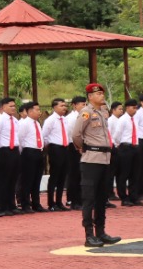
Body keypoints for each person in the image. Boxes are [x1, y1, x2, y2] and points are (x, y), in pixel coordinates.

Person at [71, 83, 121, 248]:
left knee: (102, 198)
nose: (101, 96)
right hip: (91, 159)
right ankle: (89, 235)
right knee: (89, 198)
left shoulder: (103, 112)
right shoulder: (86, 113)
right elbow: (76, 134)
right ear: (90, 97)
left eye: (102, 93)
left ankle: (101, 232)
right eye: (98, 94)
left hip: (105, 158)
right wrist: (81, 147)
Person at [41, 99, 72, 211]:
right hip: (55, 148)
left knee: (63, 176)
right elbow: (44, 135)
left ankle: (59, 201)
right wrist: (49, 148)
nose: (64, 107)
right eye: (61, 105)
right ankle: (51, 203)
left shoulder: (65, 120)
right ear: (54, 107)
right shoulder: (50, 120)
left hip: (65, 148)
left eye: (65, 105)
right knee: (54, 176)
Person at [16, 101, 47, 213]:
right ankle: (25, 204)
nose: (39, 112)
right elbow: (20, 139)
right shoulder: (24, 123)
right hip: (28, 152)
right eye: (37, 110)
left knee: (36, 179)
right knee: (27, 180)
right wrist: (23, 153)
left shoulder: (37, 123)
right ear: (29, 111)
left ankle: (36, 203)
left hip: (39, 151)